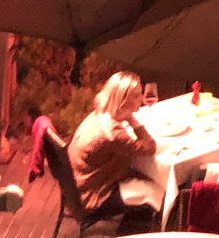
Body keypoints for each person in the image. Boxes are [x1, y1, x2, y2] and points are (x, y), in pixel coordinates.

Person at [67, 71, 161, 214]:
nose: (142, 99)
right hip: (93, 194)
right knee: (158, 189)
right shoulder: (113, 134)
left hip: (78, 184)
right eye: (136, 95)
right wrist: (134, 122)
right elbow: (150, 147)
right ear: (122, 100)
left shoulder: (102, 110)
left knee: (141, 173)